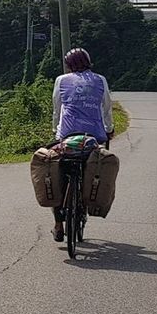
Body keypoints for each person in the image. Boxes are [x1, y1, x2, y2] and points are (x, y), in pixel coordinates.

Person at [51, 47, 113, 241]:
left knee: (57, 174)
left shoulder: (61, 80)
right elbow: (107, 108)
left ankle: (58, 224)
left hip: (67, 136)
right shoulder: (100, 80)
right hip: (93, 137)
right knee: (91, 168)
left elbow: (57, 109)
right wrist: (109, 129)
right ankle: (86, 199)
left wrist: (55, 131)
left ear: (69, 65)